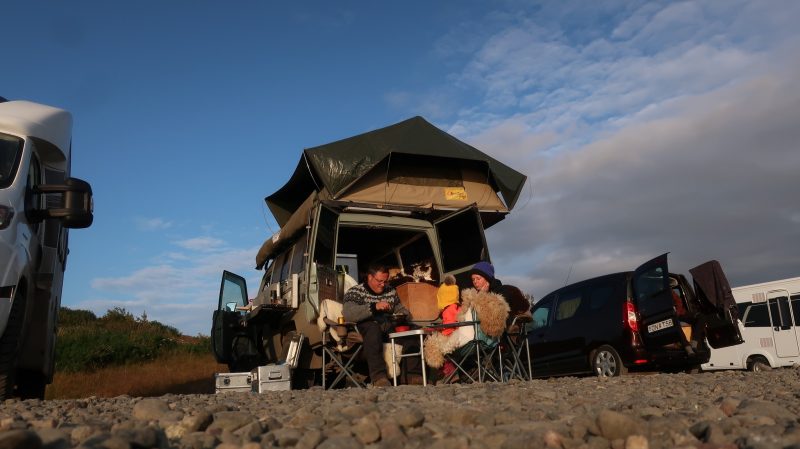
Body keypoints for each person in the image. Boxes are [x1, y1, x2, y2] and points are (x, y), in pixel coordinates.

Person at [342, 263, 423, 387]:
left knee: (412, 330)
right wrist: (374, 307)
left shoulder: (390, 291)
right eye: (379, 281)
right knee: (373, 328)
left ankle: (412, 375)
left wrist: (402, 315)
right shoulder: (355, 292)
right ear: (370, 277)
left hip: (388, 328)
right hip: (366, 329)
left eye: (385, 281)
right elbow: (348, 314)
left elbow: (402, 310)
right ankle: (379, 378)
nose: (383, 284)